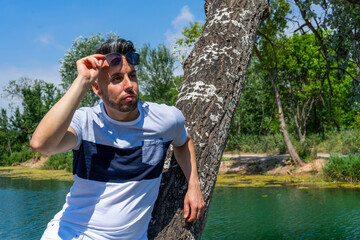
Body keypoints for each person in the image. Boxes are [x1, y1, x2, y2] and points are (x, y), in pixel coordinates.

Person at [30, 38, 205, 240]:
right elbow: (41, 144)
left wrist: (194, 185)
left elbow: (183, 142)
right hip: (72, 233)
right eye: (116, 79)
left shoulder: (165, 119)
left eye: (132, 75)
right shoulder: (86, 122)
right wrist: (82, 82)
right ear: (97, 89)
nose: (129, 85)